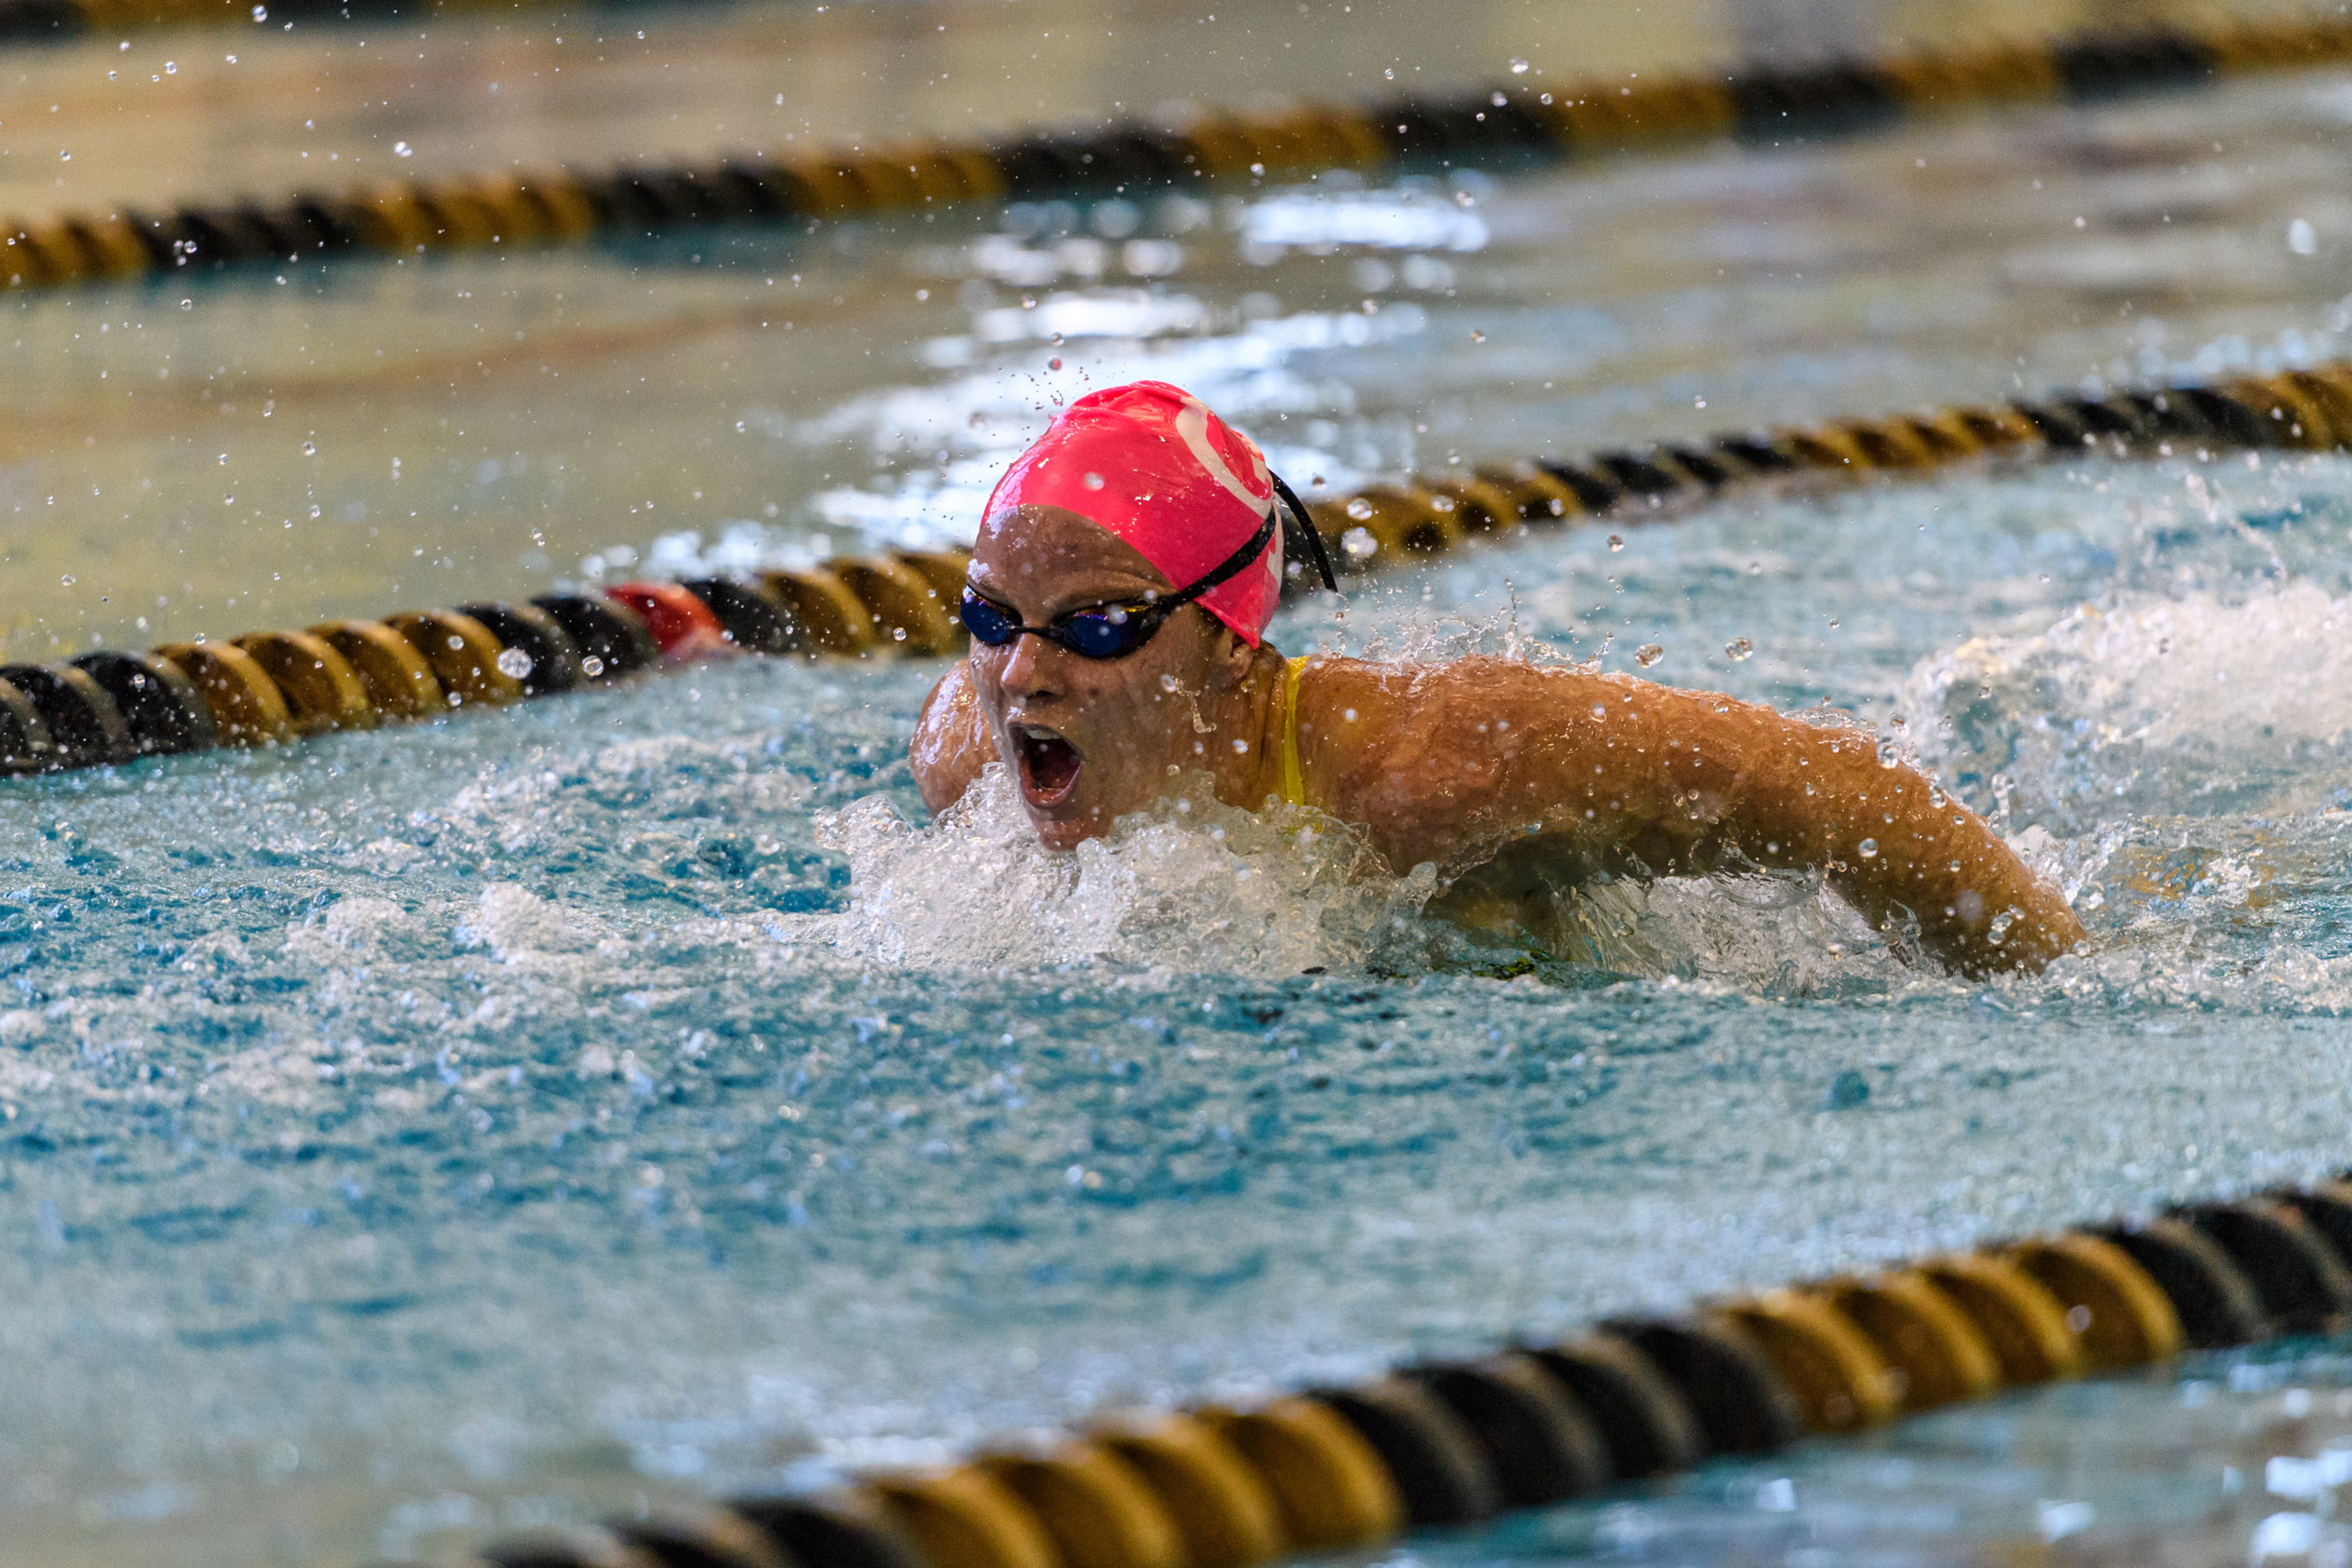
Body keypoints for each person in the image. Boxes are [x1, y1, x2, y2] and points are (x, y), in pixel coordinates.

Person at [910, 380, 2084, 977]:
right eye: (987, 615)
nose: (1023, 674)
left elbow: (1844, 790)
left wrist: (2049, 992)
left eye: (1097, 623)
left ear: (1230, 635)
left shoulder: (1435, 770)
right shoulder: (966, 757)